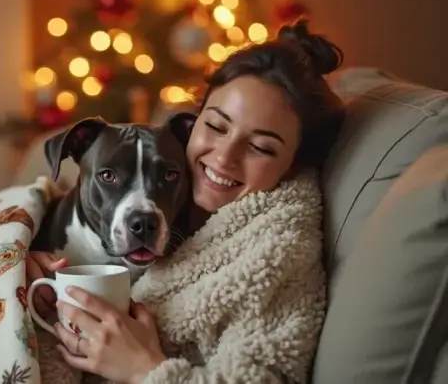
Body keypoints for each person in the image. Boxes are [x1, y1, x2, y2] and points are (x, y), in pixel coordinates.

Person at [26, 19, 346, 384]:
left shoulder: (277, 250)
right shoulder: (177, 196)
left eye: (260, 146)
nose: (224, 158)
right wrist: (14, 262)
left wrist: (144, 370)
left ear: (295, 164)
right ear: (193, 123)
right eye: (216, 126)